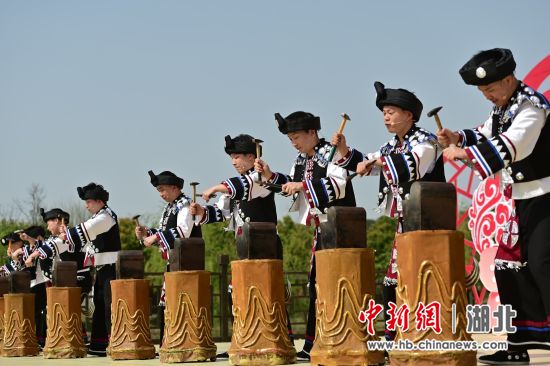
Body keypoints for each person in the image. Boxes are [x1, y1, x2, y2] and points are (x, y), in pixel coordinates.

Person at [437, 48, 550, 365]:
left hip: (546, 197)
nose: (487, 95)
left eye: (490, 88)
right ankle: (517, 345)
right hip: (521, 200)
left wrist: (465, 154)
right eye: (482, 91)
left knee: (543, 265)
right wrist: (456, 136)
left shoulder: (532, 106)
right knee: (506, 267)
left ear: (509, 79)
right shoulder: (504, 108)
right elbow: (484, 132)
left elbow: (514, 144)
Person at [331, 81, 445, 341]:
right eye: (383, 112)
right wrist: (343, 150)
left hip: (429, 225)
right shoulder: (391, 146)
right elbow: (366, 162)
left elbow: (413, 165)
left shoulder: (425, 141)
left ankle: (428, 335)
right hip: (405, 223)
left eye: (391, 111)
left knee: (424, 279)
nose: (386, 117)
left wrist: (379, 161)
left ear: (408, 114)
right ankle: (394, 337)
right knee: (392, 282)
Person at [255, 112, 356, 360]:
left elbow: (338, 185)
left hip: (343, 228)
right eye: (290, 139)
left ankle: (346, 341)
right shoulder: (301, 160)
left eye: (296, 137)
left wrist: (302, 186)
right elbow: (290, 185)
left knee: (341, 285)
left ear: (312, 133)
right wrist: (269, 175)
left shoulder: (331, 153)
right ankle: (314, 344)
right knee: (316, 286)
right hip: (322, 229)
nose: (294, 143)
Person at [189, 134, 292, 359]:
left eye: (237, 157)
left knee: (269, 293)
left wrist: (216, 187)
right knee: (237, 293)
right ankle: (244, 339)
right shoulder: (236, 185)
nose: (233, 161)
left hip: (265, 246)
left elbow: (242, 186)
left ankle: (278, 340)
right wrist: (201, 212)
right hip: (245, 245)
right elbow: (221, 212)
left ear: (251, 156)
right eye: (231, 157)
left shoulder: (261, 180)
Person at [135, 170, 202, 344]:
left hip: (186, 263)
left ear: (174, 188)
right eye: (159, 191)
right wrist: (147, 232)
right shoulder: (170, 207)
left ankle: (184, 342)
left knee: (181, 303)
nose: (161, 194)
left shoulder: (185, 205)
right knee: (168, 304)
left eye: (163, 189)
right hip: (174, 262)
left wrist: (155, 237)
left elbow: (182, 232)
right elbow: (165, 234)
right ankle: (169, 342)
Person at [59, 182, 121, 356]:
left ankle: (114, 343)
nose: (86, 205)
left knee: (109, 306)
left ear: (98, 201)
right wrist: (67, 237)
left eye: (88, 201)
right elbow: (83, 240)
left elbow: (86, 230)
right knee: (100, 305)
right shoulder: (97, 217)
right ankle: (99, 345)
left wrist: (68, 234)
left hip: (111, 267)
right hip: (101, 268)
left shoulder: (106, 216)